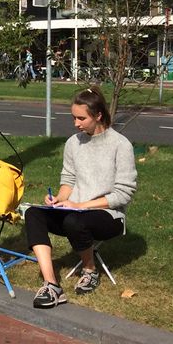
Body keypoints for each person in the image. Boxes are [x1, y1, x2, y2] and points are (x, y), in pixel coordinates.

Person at [24, 88, 137, 308]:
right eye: (74, 117)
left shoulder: (121, 145)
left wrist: (81, 205)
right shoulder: (73, 143)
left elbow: (123, 194)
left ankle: (90, 269)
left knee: (73, 220)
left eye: (81, 118)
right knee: (33, 213)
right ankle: (51, 284)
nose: (76, 123)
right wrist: (58, 199)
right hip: (74, 209)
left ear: (98, 116)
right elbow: (68, 180)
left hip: (108, 214)